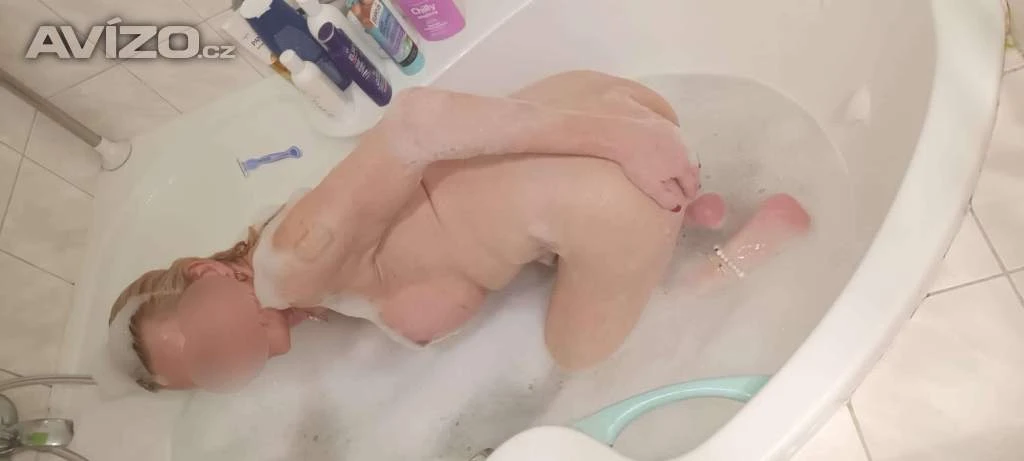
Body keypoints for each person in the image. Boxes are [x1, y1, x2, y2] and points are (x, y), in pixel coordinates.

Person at [107, 71, 809, 392]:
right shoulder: (300, 277)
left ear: (205, 271)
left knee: (579, 361)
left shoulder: (287, 264)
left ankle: (738, 254)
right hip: (593, 100)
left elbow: (420, 122)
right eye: (209, 369)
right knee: (539, 254)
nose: (226, 354)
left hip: (612, 174)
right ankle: (692, 208)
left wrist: (627, 143)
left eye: (204, 337)